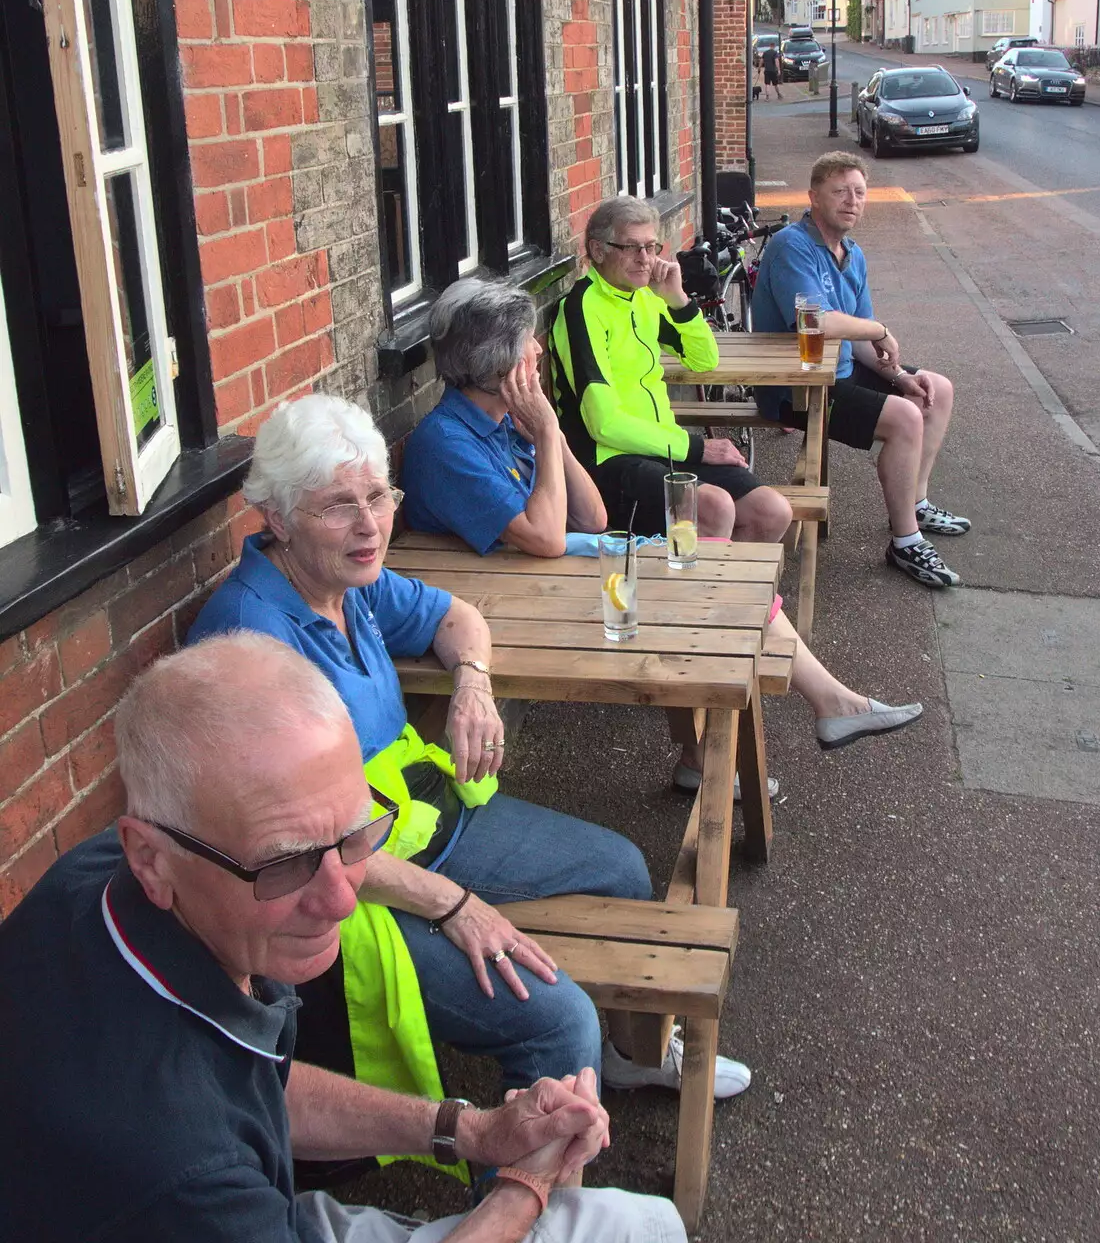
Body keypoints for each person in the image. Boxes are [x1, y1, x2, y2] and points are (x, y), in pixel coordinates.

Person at [0, 634, 686, 1242]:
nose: (339, 897)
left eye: (354, 836)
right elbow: (204, 1125)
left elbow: (247, 1084)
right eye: (285, 862)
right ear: (151, 857)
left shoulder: (106, 877)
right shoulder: (176, 1167)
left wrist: (472, 1130)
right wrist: (520, 1191)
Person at [189, 394, 749, 1106]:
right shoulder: (249, 642)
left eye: (378, 495)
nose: (369, 526)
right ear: (276, 516)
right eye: (337, 506)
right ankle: (527, 1205)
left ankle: (632, 1055)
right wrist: (454, 906)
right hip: (345, 896)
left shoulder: (343, 579)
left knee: (621, 867)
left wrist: (473, 687)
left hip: (427, 819)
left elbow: (457, 616)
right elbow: (291, 857)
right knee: (556, 1022)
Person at [551, 196, 923, 764]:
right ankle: (710, 704)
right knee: (715, 509)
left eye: (655, 247)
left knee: (771, 511)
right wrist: (695, 444)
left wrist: (676, 301)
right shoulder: (581, 309)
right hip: (608, 466)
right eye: (635, 248)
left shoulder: (646, 300)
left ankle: (731, 640)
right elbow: (602, 422)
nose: (649, 259)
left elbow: (701, 360)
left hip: (662, 448)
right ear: (597, 250)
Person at [751, 150, 969, 589]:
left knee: (934, 389)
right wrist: (879, 328)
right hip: (795, 388)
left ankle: (917, 501)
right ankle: (905, 541)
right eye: (840, 191)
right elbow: (816, 321)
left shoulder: (852, 253)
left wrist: (899, 377)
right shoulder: (792, 246)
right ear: (813, 196)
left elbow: (858, 340)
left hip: (840, 372)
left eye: (860, 192)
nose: (852, 201)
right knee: (906, 417)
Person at [403, 277, 607, 557]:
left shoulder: (507, 422)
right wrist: (547, 430)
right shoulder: (446, 445)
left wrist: (555, 439)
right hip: (489, 590)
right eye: (527, 339)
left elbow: (592, 520)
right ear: (500, 362)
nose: (538, 349)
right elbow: (548, 540)